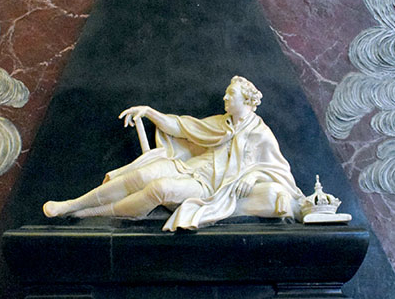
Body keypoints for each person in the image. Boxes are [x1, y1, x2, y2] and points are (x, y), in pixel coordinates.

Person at [43, 76, 303, 231]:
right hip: (188, 168)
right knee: (142, 175)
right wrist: (149, 112)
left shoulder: (260, 133)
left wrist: (254, 175)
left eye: (230, 94)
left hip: (209, 188)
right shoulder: (219, 123)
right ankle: (73, 205)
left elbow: (279, 172)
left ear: (246, 100)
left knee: (160, 189)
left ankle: (87, 214)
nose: (225, 97)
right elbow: (180, 126)